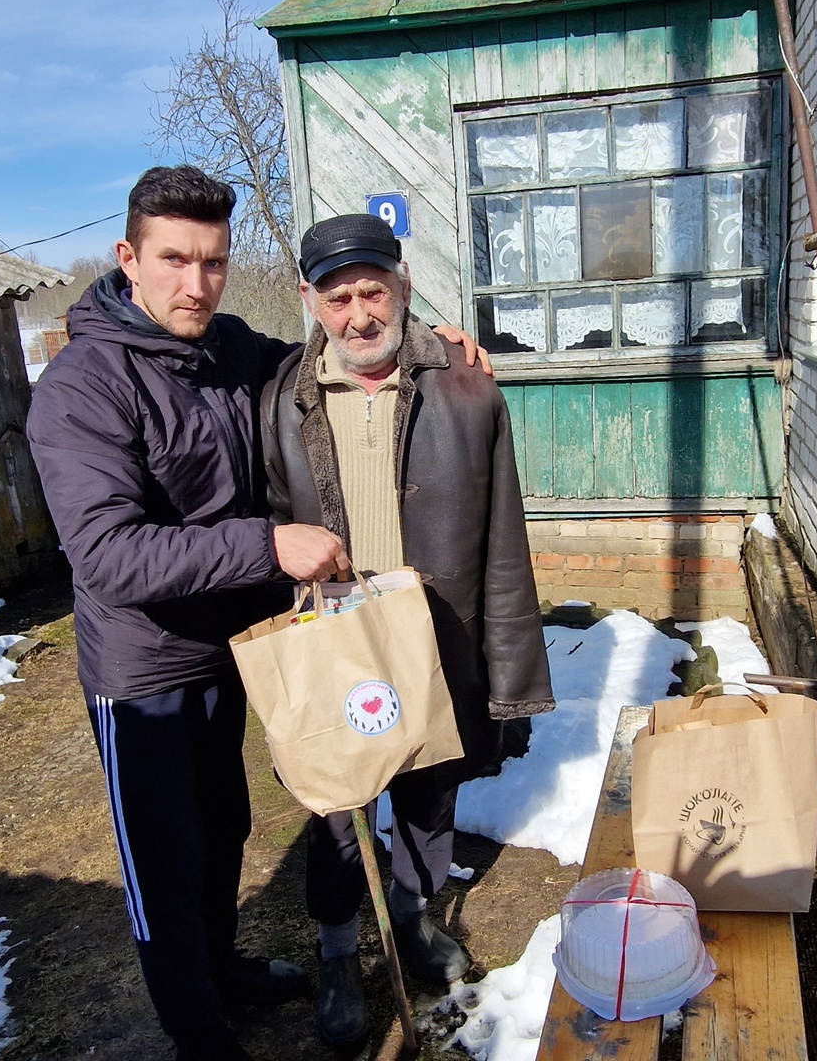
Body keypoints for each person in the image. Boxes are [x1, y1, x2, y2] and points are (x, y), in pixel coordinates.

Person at [25, 168, 482, 1061]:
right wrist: (267, 548)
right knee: (165, 860)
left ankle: (222, 967)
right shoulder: (81, 388)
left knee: (224, 828)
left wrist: (431, 344)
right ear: (129, 258)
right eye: (173, 261)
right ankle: (198, 1031)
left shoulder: (229, 345)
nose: (195, 285)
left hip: (231, 649)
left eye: (213, 263)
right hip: (142, 671)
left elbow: (339, 349)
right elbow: (110, 556)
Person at [260, 213, 556, 1051]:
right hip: (335, 643)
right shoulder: (283, 395)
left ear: (403, 289)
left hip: (435, 633)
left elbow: (503, 535)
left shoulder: (466, 386)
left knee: (428, 798)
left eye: (371, 291)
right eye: (338, 297)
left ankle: (415, 923)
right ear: (312, 303)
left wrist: (508, 674)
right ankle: (337, 954)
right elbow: (274, 521)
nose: (358, 315)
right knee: (336, 809)